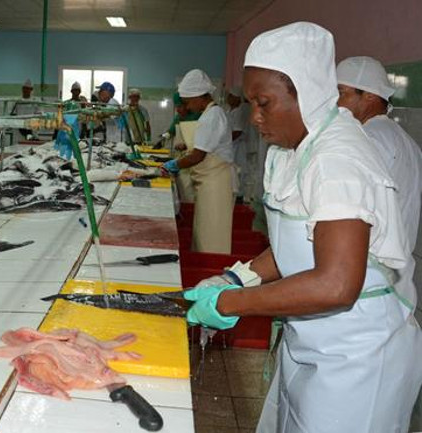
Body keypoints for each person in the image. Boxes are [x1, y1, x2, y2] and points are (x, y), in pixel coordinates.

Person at [182, 22, 422, 433]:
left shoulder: (338, 159)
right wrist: (237, 276)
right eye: (251, 103)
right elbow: (300, 241)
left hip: (358, 353)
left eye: (264, 103)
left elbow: (336, 284)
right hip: (314, 339)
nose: (254, 117)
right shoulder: (297, 147)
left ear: (307, 94)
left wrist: (229, 304)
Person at [336, 56, 422, 248]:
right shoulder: (404, 140)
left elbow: (350, 208)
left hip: (370, 264)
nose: (336, 102)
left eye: (341, 93)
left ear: (370, 96)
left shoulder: (367, 138)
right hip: (395, 265)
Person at [161, 69, 234, 253]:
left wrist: (174, 165)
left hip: (216, 184)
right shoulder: (209, 114)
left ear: (199, 96)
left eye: (188, 102)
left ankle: (214, 275)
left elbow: (198, 156)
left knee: (213, 239)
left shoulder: (212, 116)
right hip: (208, 183)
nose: (188, 107)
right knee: (203, 235)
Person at [226, 86, 250, 199]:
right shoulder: (229, 111)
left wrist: (222, 142)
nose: (228, 98)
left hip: (238, 146)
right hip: (231, 146)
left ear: (237, 98)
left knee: (239, 171)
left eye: (231, 96)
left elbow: (237, 131)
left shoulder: (239, 111)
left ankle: (240, 197)